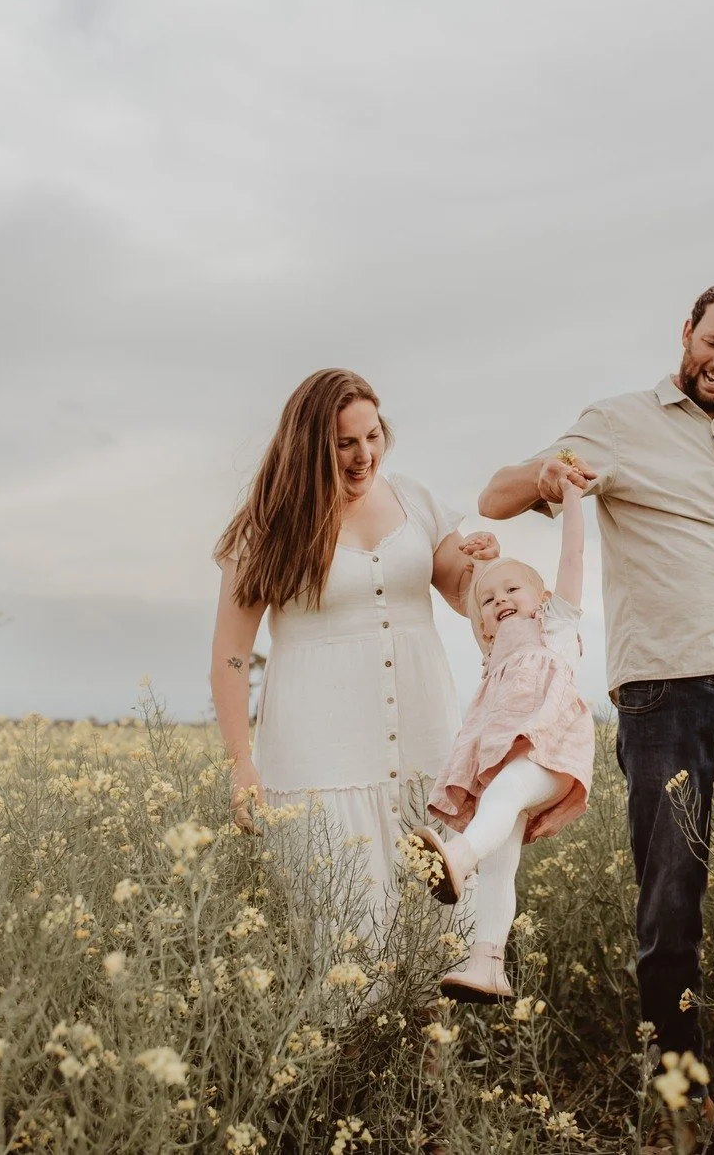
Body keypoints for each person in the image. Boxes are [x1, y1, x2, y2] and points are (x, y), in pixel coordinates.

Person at [479, 284, 714, 1155]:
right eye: (713, 343)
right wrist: (548, 477)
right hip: (662, 695)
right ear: (686, 334)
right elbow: (495, 496)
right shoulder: (617, 421)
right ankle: (683, 1101)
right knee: (669, 907)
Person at [209, 368, 498, 940]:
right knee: (348, 944)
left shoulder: (414, 500)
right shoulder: (268, 526)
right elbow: (230, 655)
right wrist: (241, 763)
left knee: (443, 939)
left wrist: (488, 567)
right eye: (345, 443)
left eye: (373, 435)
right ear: (311, 446)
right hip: (321, 761)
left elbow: (469, 597)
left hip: (426, 747)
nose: (364, 455)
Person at [414, 470, 595, 1004]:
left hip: (550, 751)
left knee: (508, 793)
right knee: (502, 861)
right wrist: (487, 566)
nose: (500, 601)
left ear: (541, 598)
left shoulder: (553, 626)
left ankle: (457, 858)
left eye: (514, 590)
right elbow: (480, 601)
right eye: (489, 600)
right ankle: (486, 964)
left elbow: (574, 559)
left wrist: (572, 500)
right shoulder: (493, 651)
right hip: (505, 756)